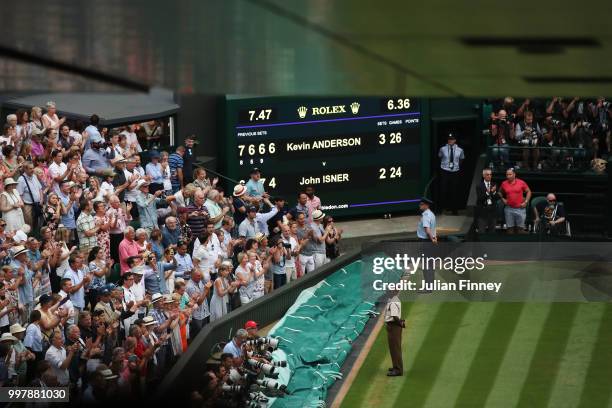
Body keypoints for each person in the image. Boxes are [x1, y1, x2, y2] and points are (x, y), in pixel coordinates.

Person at [438, 133, 465, 215]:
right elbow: (440, 157)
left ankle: (454, 210)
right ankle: (442, 209)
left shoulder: (460, 150)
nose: (450, 141)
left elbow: (461, 159)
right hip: (445, 170)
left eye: (452, 139)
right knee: (443, 190)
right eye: (449, 139)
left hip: (455, 171)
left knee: (454, 191)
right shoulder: (442, 149)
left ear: (455, 140)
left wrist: (456, 166)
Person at [499, 168, 531, 234]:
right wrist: (503, 199)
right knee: (510, 230)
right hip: (509, 209)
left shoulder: (521, 182)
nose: (508, 176)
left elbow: (529, 191)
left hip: (520, 209)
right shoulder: (504, 183)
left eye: (510, 174)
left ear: (514, 174)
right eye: (507, 174)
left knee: (520, 230)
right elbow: (499, 192)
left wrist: (526, 202)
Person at [384, 290, 404, 377]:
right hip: (393, 326)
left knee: (395, 348)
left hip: (394, 326)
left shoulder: (393, 302)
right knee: (393, 348)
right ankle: (395, 366)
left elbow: (395, 316)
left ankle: (398, 370)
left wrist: (400, 324)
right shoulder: (393, 299)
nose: (387, 292)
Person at [475, 168, 498, 233]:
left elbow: (498, 197)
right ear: (483, 175)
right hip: (482, 212)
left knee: (492, 232)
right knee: (481, 232)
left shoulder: (494, 185)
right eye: (487, 174)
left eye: (490, 174)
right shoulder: (479, 185)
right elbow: (480, 198)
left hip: (492, 212)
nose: (489, 176)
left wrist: (493, 192)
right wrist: (488, 192)